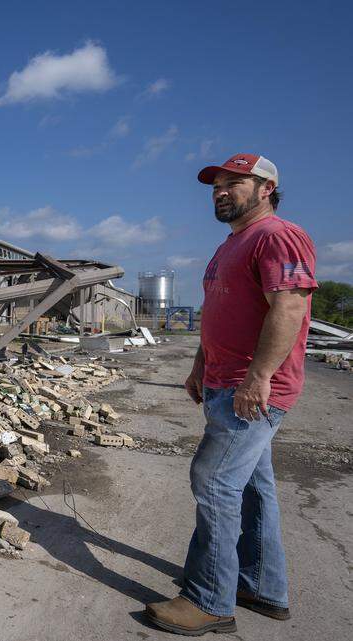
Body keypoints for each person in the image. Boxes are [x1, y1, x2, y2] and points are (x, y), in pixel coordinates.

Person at [146, 154, 317, 636]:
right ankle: (261, 585)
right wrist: (201, 366)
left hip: (252, 389)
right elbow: (218, 312)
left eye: (234, 183)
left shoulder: (278, 235)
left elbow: (289, 307)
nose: (221, 190)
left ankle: (208, 600)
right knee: (253, 487)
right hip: (226, 382)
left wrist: (259, 376)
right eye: (216, 184)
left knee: (214, 481)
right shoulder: (231, 244)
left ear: (266, 188)